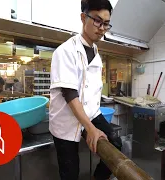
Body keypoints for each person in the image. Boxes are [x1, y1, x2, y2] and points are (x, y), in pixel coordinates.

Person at [49, 0, 122, 179]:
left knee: (116, 144)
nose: (102, 28)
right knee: (70, 172)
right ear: (83, 18)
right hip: (66, 120)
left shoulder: (96, 55)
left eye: (106, 23)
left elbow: (89, 91)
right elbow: (70, 94)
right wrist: (91, 129)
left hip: (90, 114)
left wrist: (91, 124)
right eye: (97, 21)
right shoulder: (65, 51)